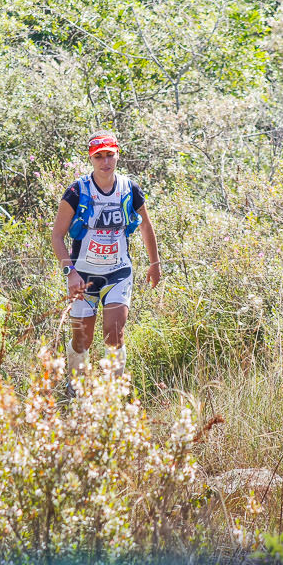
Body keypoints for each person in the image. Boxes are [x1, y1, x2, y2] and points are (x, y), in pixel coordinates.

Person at [51, 130, 161, 387]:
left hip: (118, 272)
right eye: (99, 157)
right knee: (82, 340)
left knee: (114, 335)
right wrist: (71, 274)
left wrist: (155, 264)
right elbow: (57, 236)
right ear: (91, 158)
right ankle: (76, 388)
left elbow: (146, 227)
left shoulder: (129, 188)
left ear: (117, 155)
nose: (105, 162)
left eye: (109, 155)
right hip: (83, 275)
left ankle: (113, 394)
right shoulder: (77, 191)